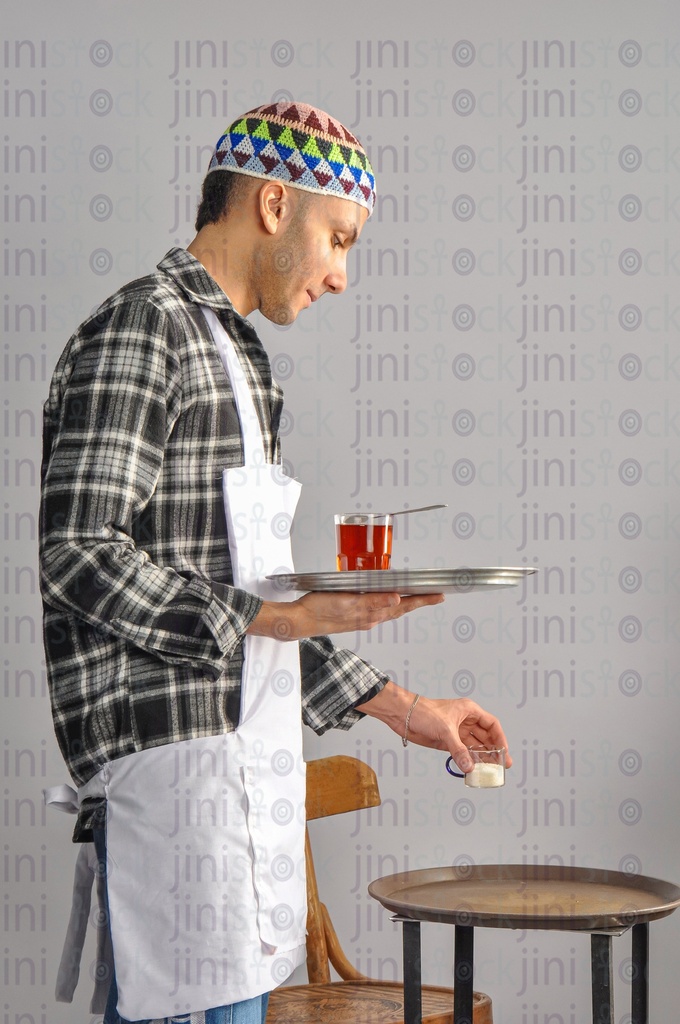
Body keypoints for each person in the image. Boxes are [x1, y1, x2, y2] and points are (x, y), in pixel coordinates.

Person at [40, 101, 512, 1024]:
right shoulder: (145, 329)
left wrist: (411, 712)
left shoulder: (244, 364)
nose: (341, 275)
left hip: (241, 793)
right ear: (270, 205)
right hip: (173, 801)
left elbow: (258, 606)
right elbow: (80, 553)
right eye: (339, 238)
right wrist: (275, 617)